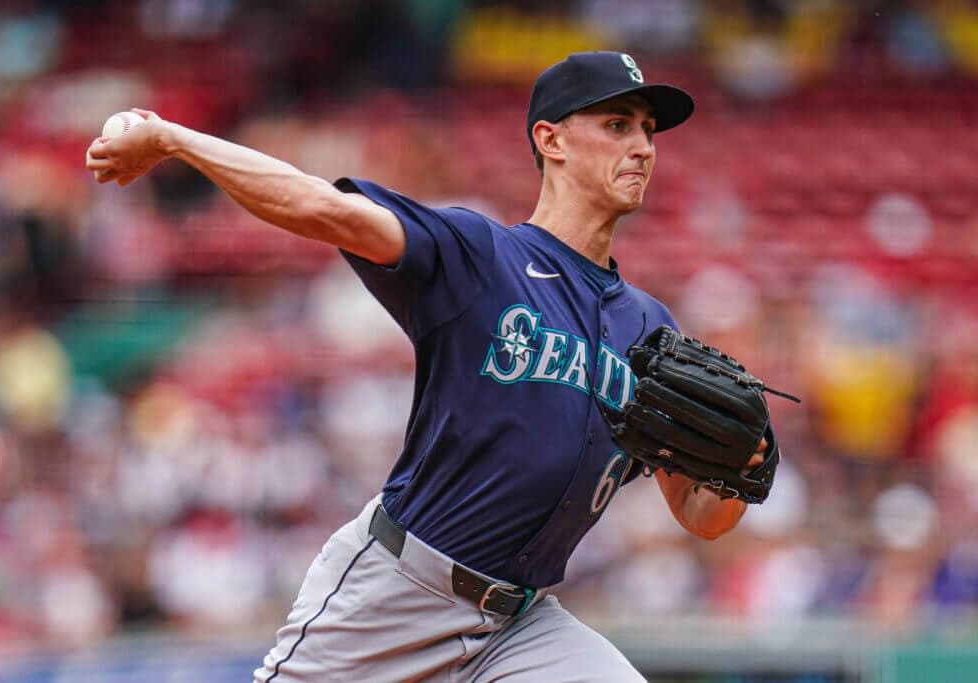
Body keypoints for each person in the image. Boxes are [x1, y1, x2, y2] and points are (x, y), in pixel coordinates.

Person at [87, 51, 771, 682]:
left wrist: (739, 472)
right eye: (617, 124)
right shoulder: (479, 257)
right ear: (550, 140)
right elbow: (322, 208)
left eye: (649, 131)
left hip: (520, 624)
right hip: (394, 596)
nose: (642, 148)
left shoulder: (649, 328)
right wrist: (172, 138)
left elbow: (699, 514)